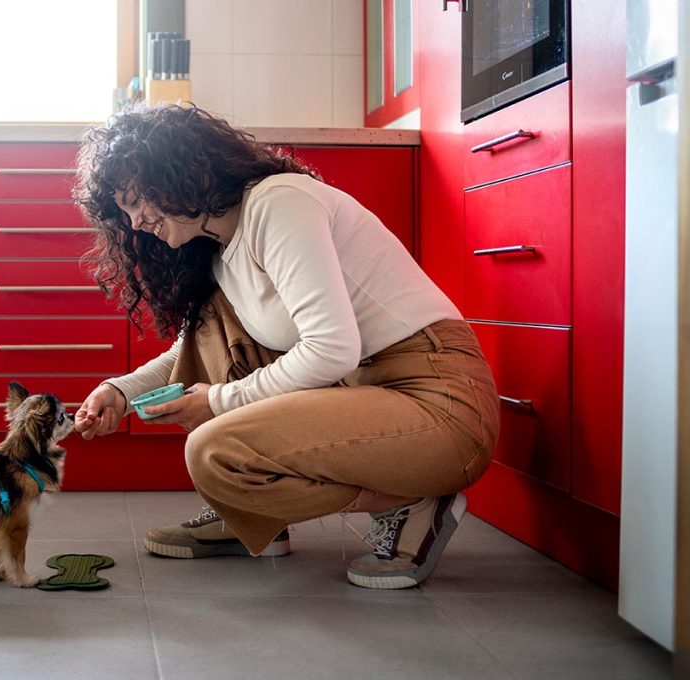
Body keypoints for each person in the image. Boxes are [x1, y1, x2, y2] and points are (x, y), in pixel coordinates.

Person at [72, 103, 500, 589]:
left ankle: (415, 501)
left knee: (214, 451)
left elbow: (331, 349)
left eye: (136, 199)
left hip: (437, 405)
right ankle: (257, 522)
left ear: (176, 171)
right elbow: (193, 351)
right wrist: (120, 393)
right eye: (123, 211)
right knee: (213, 337)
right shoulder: (218, 252)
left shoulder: (278, 203)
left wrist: (215, 402)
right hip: (362, 392)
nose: (133, 223)